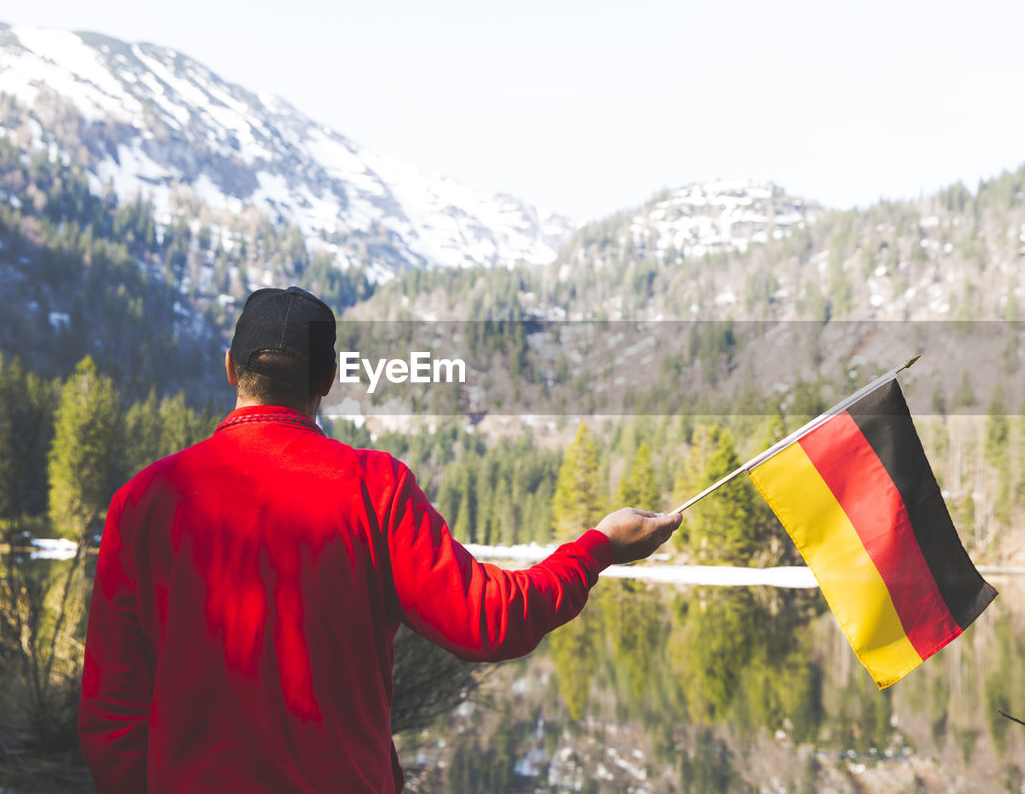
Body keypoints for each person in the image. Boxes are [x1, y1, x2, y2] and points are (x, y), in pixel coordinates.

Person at [78, 286, 681, 793]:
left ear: (230, 367)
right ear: (330, 379)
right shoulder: (373, 487)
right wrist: (597, 548)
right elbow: (489, 620)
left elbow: (111, 719)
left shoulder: (143, 503)